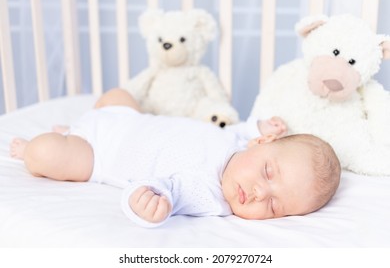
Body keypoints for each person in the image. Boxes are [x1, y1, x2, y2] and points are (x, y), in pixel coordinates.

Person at [9, 88, 341, 227]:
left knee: (45, 152)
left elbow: (164, 190)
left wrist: (149, 207)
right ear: (261, 142)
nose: (259, 192)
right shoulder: (239, 143)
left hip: (96, 154)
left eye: (273, 206)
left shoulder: (209, 195)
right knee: (118, 95)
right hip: (127, 119)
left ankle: (46, 145)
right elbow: (244, 130)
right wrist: (259, 123)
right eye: (269, 173)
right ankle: (73, 126)